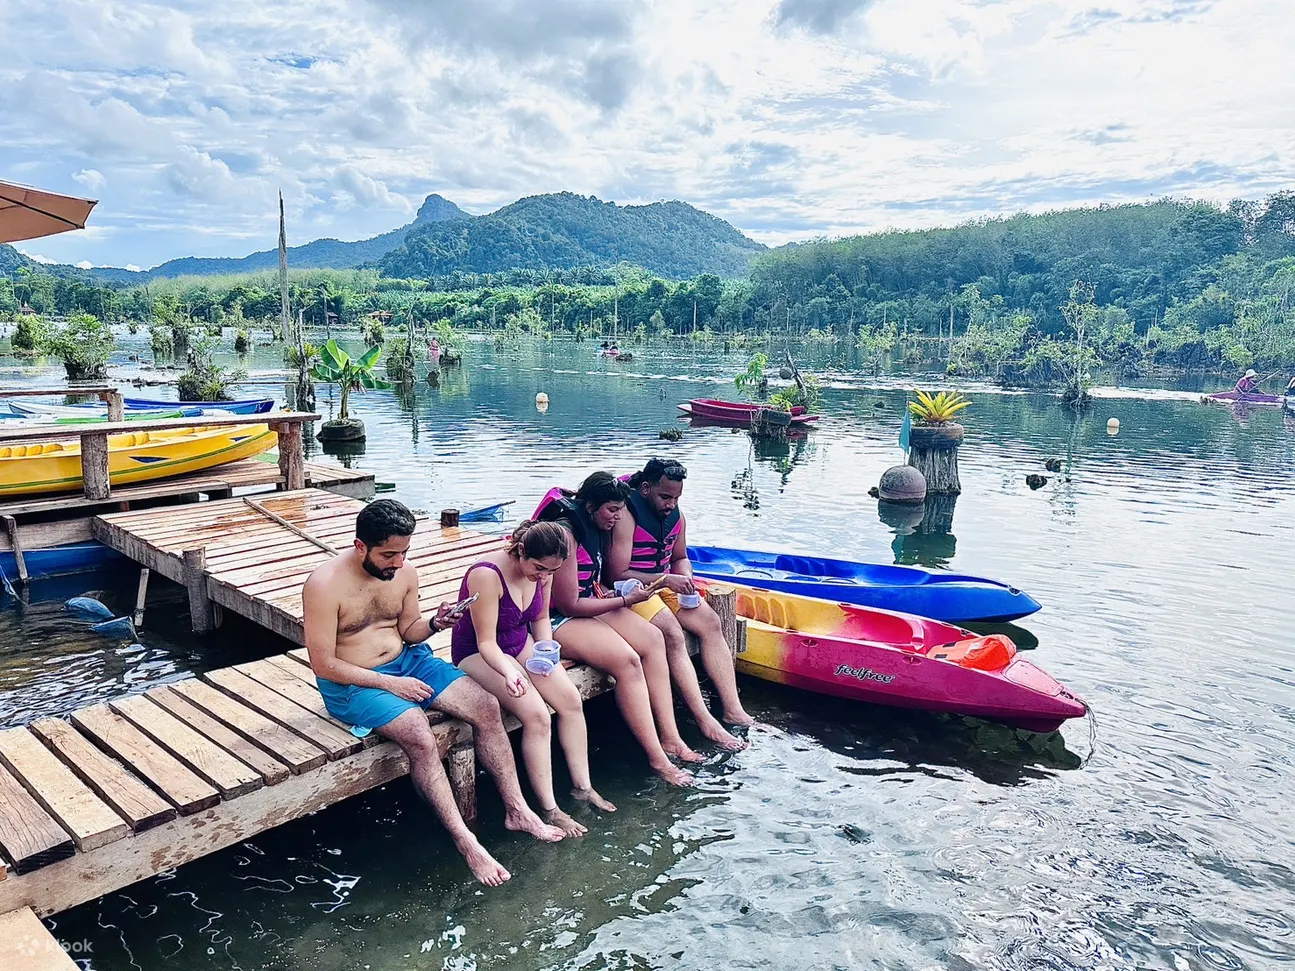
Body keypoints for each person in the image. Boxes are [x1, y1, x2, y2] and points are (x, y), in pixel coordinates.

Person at [303, 499, 564, 888]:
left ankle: (517, 810)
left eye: (404, 552)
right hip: (353, 681)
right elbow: (323, 664)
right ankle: (467, 841)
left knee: (486, 706)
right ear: (361, 547)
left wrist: (436, 623)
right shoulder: (324, 586)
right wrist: (392, 684)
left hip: (409, 660)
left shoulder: (405, 573)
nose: (398, 562)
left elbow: (408, 630)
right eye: (388, 554)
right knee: (420, 736)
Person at [451, 520, 616, 837]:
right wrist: (511, 669)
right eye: (539, 569)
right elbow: (485, 643)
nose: (543, 577)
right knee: (538, 716)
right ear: (521, 551)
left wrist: (545, 651)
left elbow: (540, 618)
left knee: (569, 700)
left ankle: (583, 786)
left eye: (551, 572)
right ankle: (549, 809)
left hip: (519, 642)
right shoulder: (486, 575)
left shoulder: (545, 570)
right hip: (478, 652)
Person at [538, 473, 704, 775]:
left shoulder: (598, 526)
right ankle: (657, 757)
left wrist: (624, 594)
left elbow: (597, 581)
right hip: (558, 619)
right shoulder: (566, 534)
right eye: (612, 510)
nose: (618, 517)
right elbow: (568, 604)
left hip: (591, 603)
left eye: (620, 510)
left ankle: (671, 738)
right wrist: (626, 601)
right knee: (628, 661)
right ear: (590, 506)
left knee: (655, 639)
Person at [610, 459, 754, 734]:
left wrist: (684, 577)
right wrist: (666, 580)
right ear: (645, 489)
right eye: (665, 496)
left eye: (676, 498)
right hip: (635, 589)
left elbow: (680, 557)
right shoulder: (626, 516)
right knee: (672, 633)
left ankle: (734, 710)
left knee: (711, 622)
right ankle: (704, 719)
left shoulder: (677, 516)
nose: (671, 504)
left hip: (667, 584)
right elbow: (618, 573)